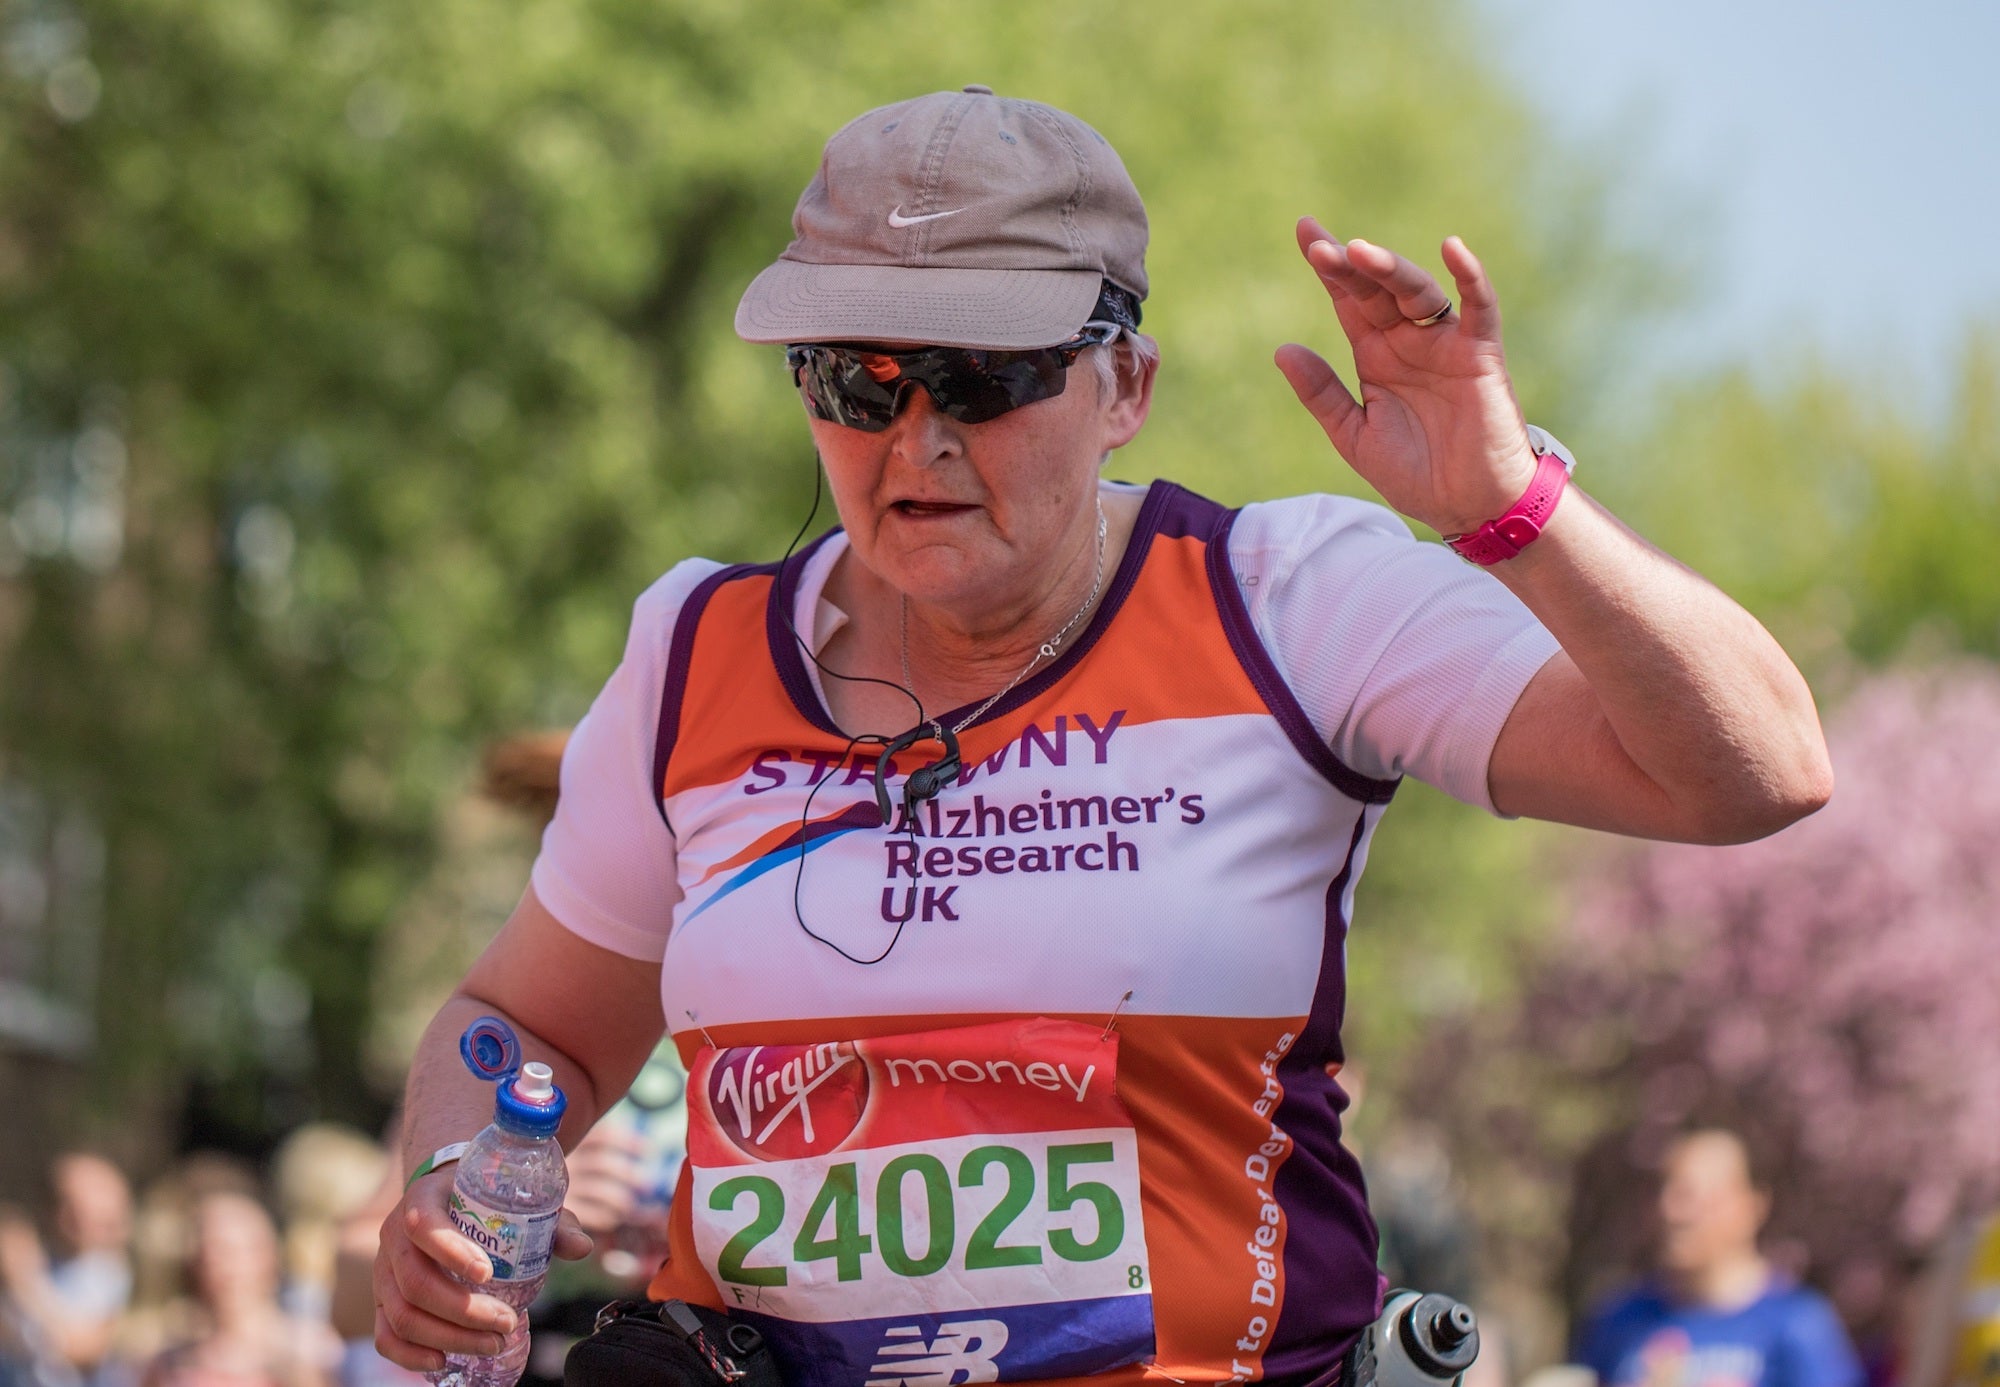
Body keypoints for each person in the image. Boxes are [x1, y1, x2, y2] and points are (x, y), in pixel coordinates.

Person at [370, 87, 1833, 1386]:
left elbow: (1760, 769)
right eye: (857, 382)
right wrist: (448, 1179)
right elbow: (529, 1030)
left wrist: (1510, 506)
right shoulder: (692, 650)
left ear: (1125, 385)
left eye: (989, 379)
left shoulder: (1290, 597)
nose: (917, 441)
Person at [1574, 1129, 1863, 1387]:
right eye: (1664, 1191)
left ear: (1750, 1206)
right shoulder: (1619, 1319)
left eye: (1691, 1195)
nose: (1672, 1212)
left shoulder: (1798, 1324)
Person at [138, 1192, 337, 1387]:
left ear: (271, 1256)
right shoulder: (170, 1364)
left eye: (237, 1251)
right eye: (213, 1251)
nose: (225, 1266)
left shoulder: (314, 1352)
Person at [0, 1153, 134, 1387]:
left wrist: (24, 1282)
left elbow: (82, 1350)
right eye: (63, 1203)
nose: (72, 1218)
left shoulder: (108, 1273)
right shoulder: (35, 1256)